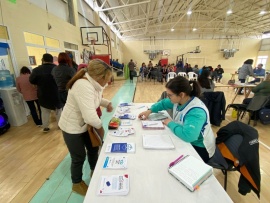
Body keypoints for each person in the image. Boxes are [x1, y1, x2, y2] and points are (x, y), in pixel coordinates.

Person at [59, 59, 113, 196]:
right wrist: (101, 128)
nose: (108, 82)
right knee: (78, 156)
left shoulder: (93, 84)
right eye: (107, 79)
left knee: (93, 148)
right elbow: (90, 116)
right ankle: (76, 183)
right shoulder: (82, 86)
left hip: (84, 125)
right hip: (72, 127)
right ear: (100, 77)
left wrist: (107, 103)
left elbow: (95, 99)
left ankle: (95, 170)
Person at [138, 76, 215, 162]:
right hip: (185, 139)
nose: (168, 97)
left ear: (181, 94)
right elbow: (163, 103)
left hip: (199, 148)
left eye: (170, 95)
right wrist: (149, 111)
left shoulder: (196, 111)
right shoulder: (179, 101)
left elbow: (188, 136)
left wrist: (170, 123)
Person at [29, 53, 62, 133]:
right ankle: (60, 125)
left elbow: (31, 80)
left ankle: (45, 127)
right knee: (58, 111)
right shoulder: (57, 68)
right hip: (56, 92)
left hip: (43, 93)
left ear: (43, 60)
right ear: (52, 60)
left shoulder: (36, 70)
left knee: (44, 111)